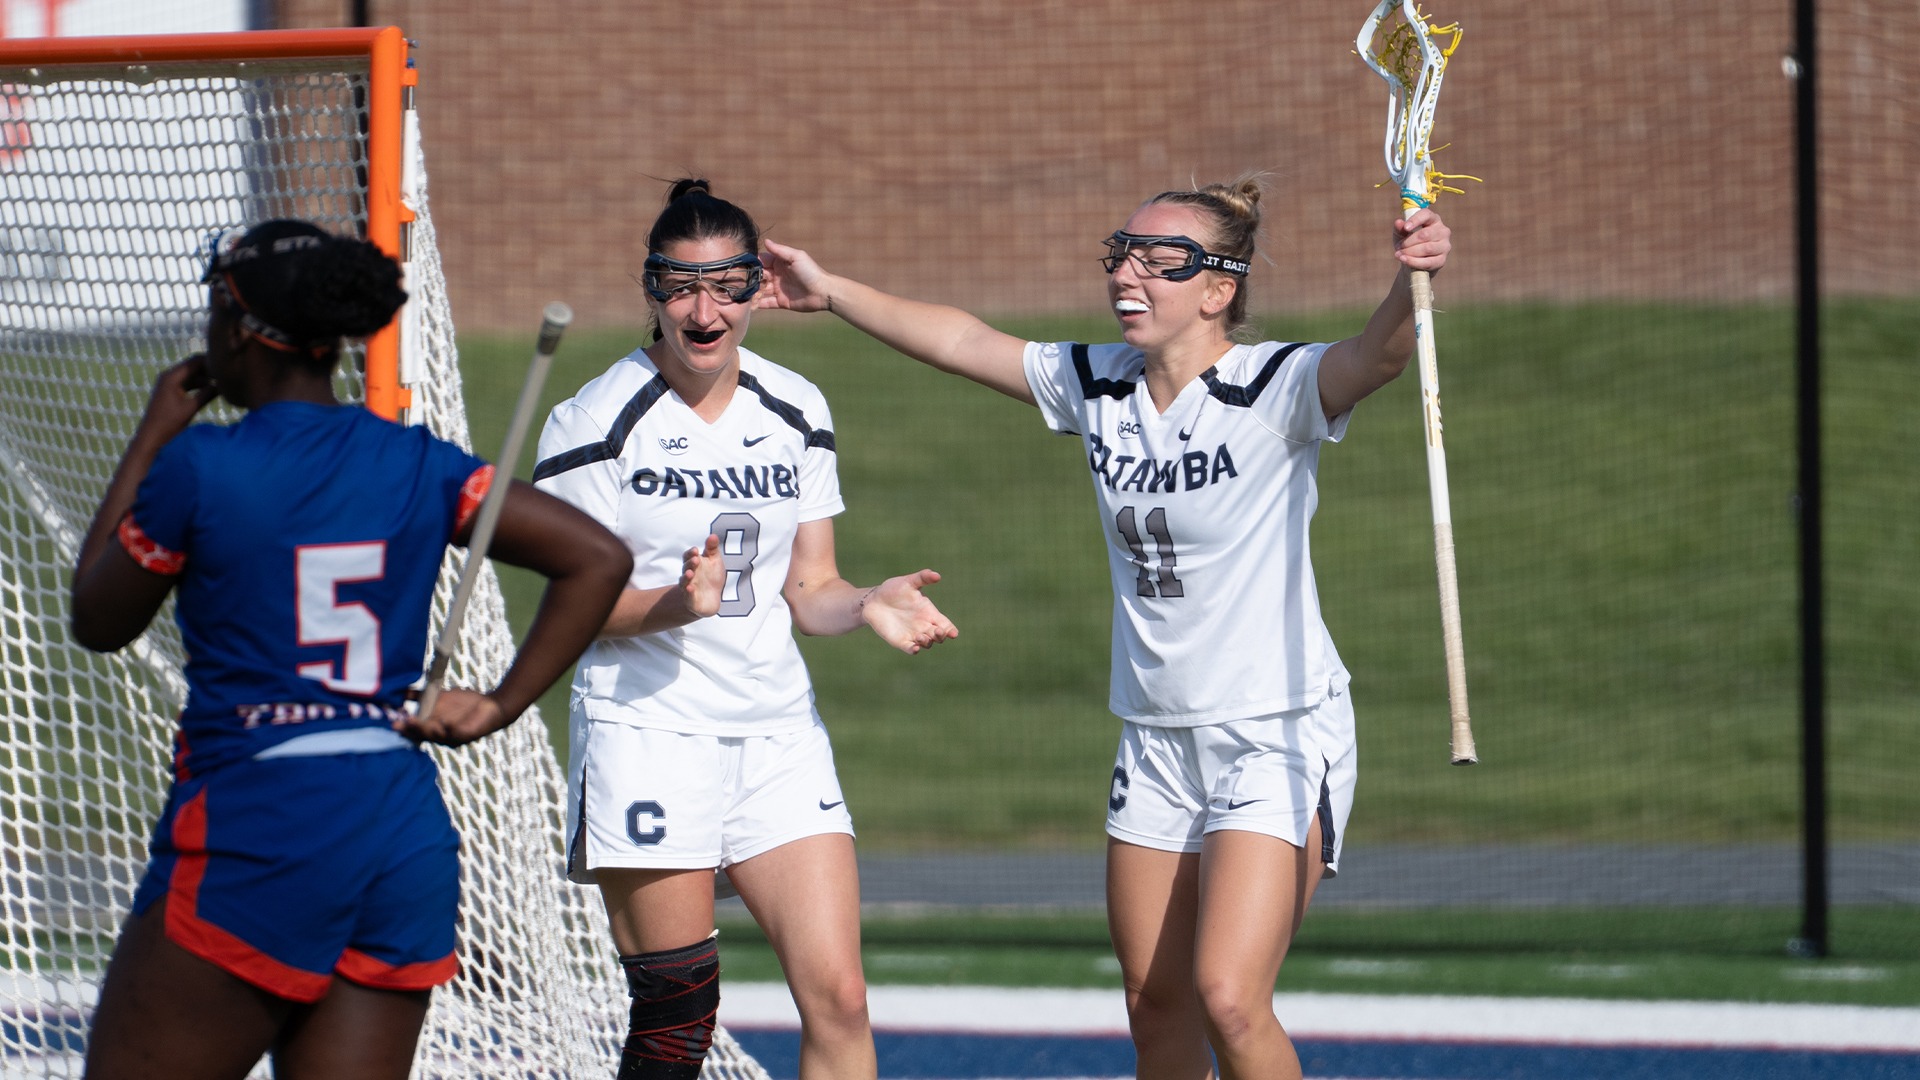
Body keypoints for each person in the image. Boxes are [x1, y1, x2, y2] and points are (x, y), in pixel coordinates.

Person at [756, 178, 1451, 1080]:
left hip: (1272, 732)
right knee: (1152, 1004)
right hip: (1156, 740)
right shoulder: (1099, 384)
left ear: (1218, 289)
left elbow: (1377, 357)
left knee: (1229, 998)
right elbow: (965, 340)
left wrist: (1411, 281)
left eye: (1161, 263)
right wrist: (833, 290)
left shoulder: (1273, 386)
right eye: (1120, 254)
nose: (1129, 274)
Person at [69, 220, 633, 1080]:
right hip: (398, 834)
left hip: (262, 820)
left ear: (237, 323)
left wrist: (152, 436)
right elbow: (598, 557)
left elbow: (98, 618)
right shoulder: (417, 461)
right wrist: (498, 704)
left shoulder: (202, 465)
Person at [532, 178, 958, 1080]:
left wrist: (866, 601)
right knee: (679, 1016)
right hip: (648, 731)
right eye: (681, 286)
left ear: (758, 288)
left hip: (775, 735)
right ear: (651, 291)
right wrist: (673, 606)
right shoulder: (594, 423)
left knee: (839, 998)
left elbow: (810, 587)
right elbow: (571, 611)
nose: (703, 309)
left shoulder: (798, 407)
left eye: (727, 285)